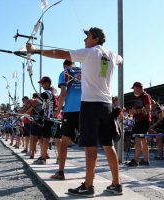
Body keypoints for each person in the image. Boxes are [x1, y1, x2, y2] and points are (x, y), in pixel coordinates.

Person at [26, 27, 123, 197]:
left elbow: (58, 53)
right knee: (108, 145)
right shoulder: (111, 55)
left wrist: (35, 50)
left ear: (95, 38)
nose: (84, 40)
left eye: (87, 37)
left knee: (90, 146)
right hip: (106, 106)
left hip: (90, 106)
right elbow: (120, 59)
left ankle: (88, 186)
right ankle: (116, 184)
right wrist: (112, 59)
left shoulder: (88, 53)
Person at [50, 60, 81, 180]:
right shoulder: (84, 71)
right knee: (89, 143)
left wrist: (57, 111)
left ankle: (61, 172)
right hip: (86, 109)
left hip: (70, 110)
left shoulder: (64, 73)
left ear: (64, 66)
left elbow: (62, 93)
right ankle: (90, 175)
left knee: (64, 142)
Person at [126, 82, 152, 167]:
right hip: (139, 121)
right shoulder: (138, 97)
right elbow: (136, 110)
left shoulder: (145, 96)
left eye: (134, 88)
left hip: (143, 121)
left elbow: (148, 109)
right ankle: (145, 160)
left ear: (138, 88)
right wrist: (131, 112)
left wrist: (136, 111)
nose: (133, 90)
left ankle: (136, 160)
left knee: (139, 140)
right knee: (143, 140)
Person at [33, 76, 58, 165]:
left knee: (45, 138)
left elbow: (36, 101)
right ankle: (59, 158)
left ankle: (43, 158)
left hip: (49, 118)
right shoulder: (55, 91)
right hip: (56, 117)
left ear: (47, 83)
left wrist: (29, 105)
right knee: (58, 139)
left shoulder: (47, 92)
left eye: (42, 84)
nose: (42, 86)